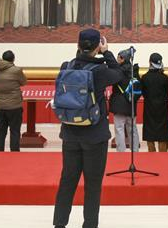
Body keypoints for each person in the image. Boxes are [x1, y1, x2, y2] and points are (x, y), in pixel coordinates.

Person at [53, 29, 124, 228]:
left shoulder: (66, 66)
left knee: (67, 181)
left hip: (70, 133)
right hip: (95, 134)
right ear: (97, 47)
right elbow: (118, 74)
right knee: (92, 185)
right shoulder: (99, 71)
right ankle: (90, 225)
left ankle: (59, 224)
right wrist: (107, 52)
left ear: (78, 45)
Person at [0, 50, 27, 152]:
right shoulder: (16, 70)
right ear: (13, 59)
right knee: (15, 130)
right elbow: (24, 82)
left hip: (1, 105)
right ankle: (14, 152)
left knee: (1, 130)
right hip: (14, 105)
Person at [109, 48, 141, 152]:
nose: (117, 59)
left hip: (119, 104)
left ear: (122, 59)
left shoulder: (118, 71)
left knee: (119, 129)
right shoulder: (134, 71)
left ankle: (121, 152)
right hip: (131, 103)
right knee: (132, 129)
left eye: (118, 57)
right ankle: (135, 151)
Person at [140, 53, 168, 152]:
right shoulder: (164, 78)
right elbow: (167, 93)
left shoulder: (145, 78)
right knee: (163, 133)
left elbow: (143, 93)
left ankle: (151, 153)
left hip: (149, 107)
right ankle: (163, 154)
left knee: (150, 131)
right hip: (162, 108)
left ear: (150, 62)